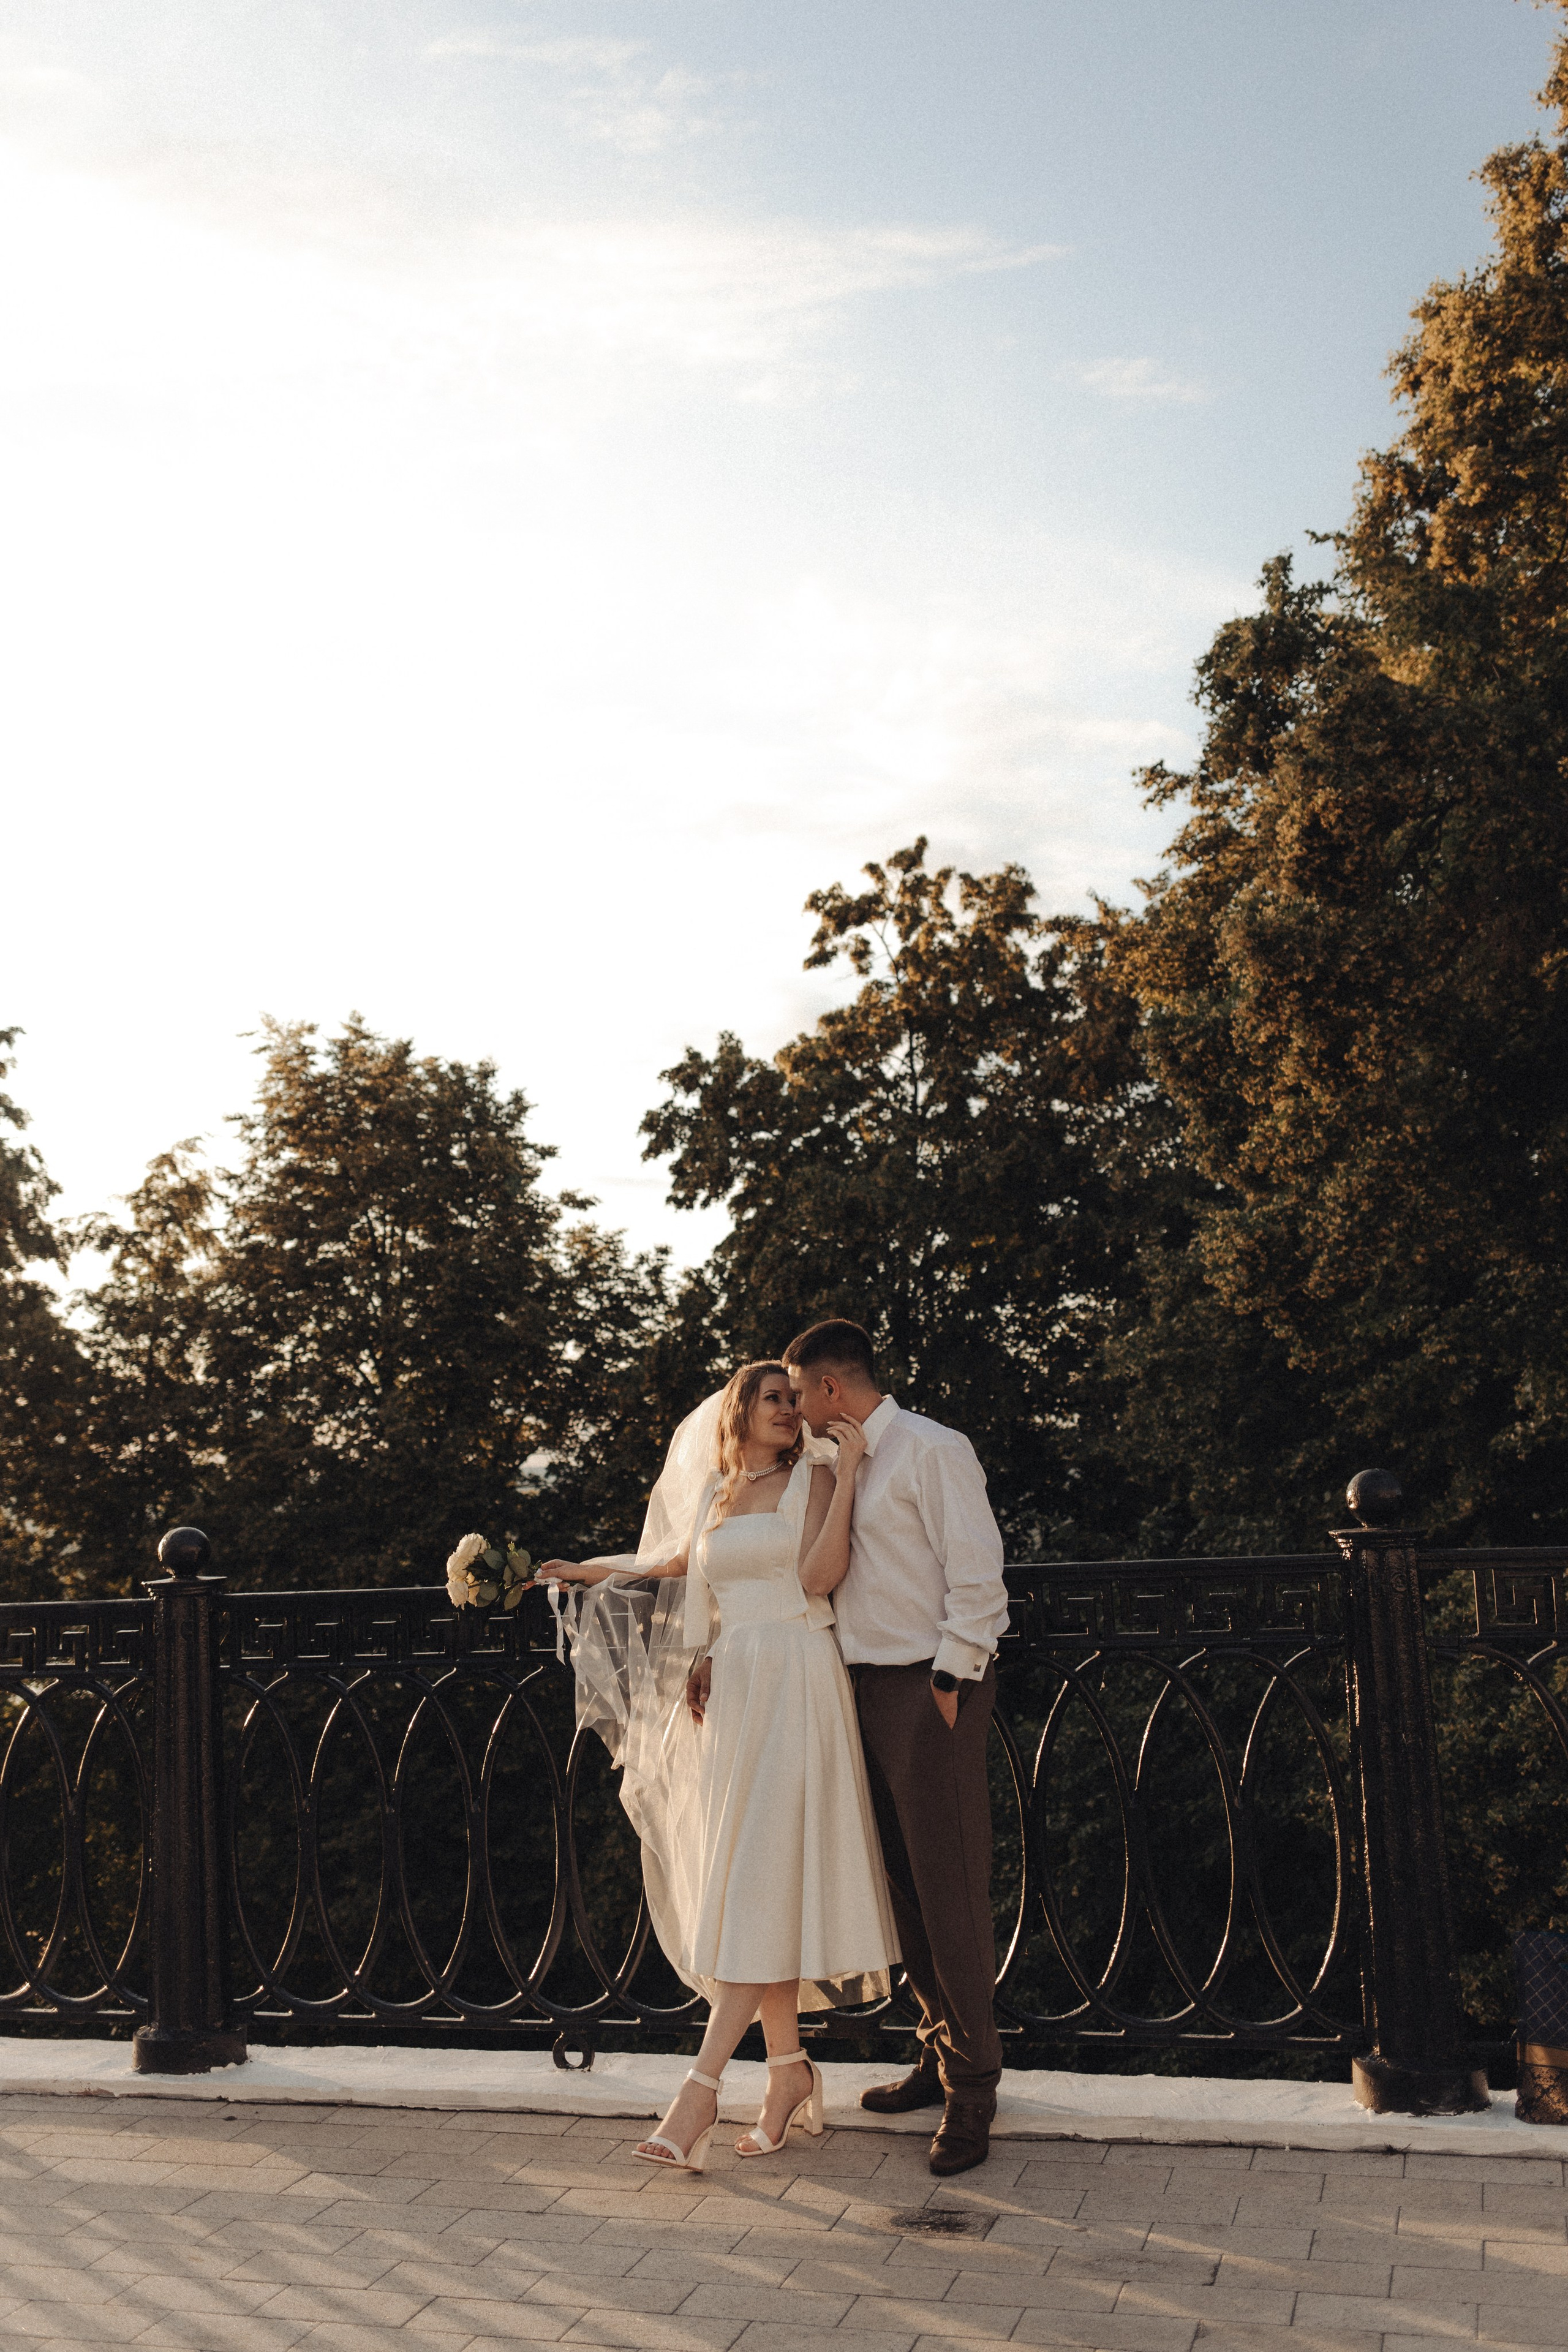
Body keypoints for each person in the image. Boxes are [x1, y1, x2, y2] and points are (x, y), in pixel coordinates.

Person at [542, 1362, 899, 2171]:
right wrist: (584, 1570)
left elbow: (816, 1578)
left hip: (799, 1678)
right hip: (738, 1689)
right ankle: (787, 2075)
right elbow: (676, 1567)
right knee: (754, 1880)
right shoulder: (716, 1493)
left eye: (793, 1399)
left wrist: (843, 1477)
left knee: (756, 1883)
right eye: (772, 1398)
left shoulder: (812, 1473)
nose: (788, 1409)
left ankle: (697, 2095)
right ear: (739, 1413)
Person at [782, 1317, 1010, 2178]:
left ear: (830, 1388)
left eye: (798, 1391)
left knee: (949, 1888)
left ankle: (976, 2087)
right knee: (904, 1892)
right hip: (860, 1693)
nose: (794, 1406)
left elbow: (978, 1575)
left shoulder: (930, 1449)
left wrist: (950, 1682)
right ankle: (936, 2050)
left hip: (929, 1692)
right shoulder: (834, 1460)